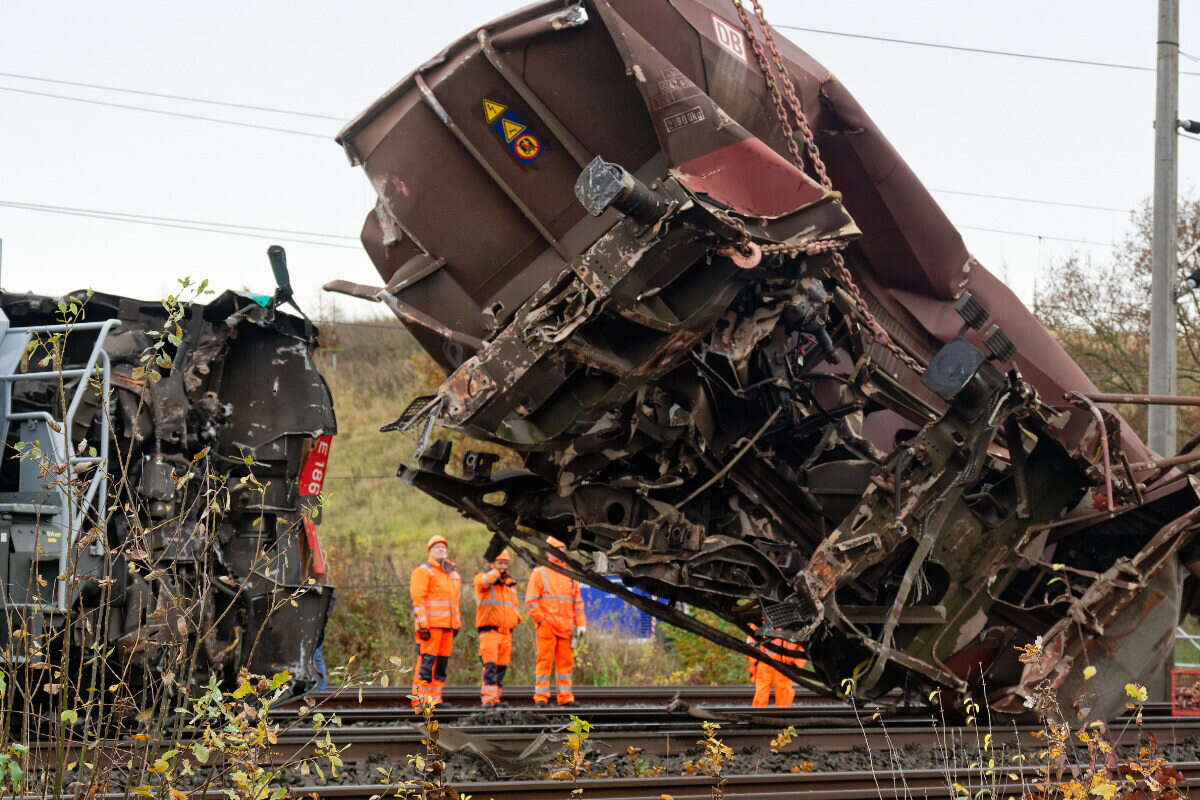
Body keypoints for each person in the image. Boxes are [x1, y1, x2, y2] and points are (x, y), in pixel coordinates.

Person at [525, 537, 586, 706]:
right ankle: (541, 698)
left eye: (561, 549)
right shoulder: (539, 573)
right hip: (548, 627)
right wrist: (542, 622)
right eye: (555, 549)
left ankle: (565, 698)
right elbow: (530, 602)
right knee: (544, 662)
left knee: (565, 665)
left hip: (566, 628)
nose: (559, 553)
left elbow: (577, 603)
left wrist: (581, 624)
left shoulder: (571, 576)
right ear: (548, 551)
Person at [409, 534, 461, 707]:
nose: (441, 549)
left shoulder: (451, 573)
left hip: (448, 627)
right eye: (437, 547)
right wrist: (423, 625)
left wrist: (456, 623)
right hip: (431, 628)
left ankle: (435, 700)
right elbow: (418, 600)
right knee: (426, 665)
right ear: (430, 551)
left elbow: (454, 601)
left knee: (440, 667)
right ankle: (421, 702)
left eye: (443, 547)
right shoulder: (423, 571)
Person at [473, 548, 521, 706]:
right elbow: (483, 582)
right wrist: (496, 572)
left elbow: (514, 606)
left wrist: (515, 621)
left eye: (505, 564)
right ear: (492, 563)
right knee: (490, 667)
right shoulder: (482, 579)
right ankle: (488, 700)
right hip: (490, 632)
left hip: (506, 633)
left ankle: (496, 699)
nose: (503, 567)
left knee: (501, 668)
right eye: (500, 563)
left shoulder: (509, 585)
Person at [747, 625, 806, 707]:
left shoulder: (795, 624)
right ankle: (762, 713)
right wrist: (754, 661)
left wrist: (796, 663)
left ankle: (782, 715)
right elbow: (751, 643)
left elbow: (803, 646)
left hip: (783, 663)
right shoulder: (757, 623)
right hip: (767, 662)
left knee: (783, 692)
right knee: (762, 692)